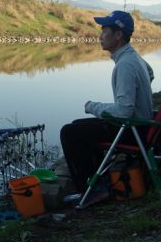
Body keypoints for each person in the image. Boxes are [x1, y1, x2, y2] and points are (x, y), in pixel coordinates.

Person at [60, 10, 154, 194]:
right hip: (143, 124)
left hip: (134, 130)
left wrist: (92, 106)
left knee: (70, 132)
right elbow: (150, 73)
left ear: (118, 35)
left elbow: (124, 111)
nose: (100, 36)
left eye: (104, 31)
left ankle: (91, 190)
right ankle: (98, 178)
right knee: (79, 126)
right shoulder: (132, 56)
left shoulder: (125, 64)